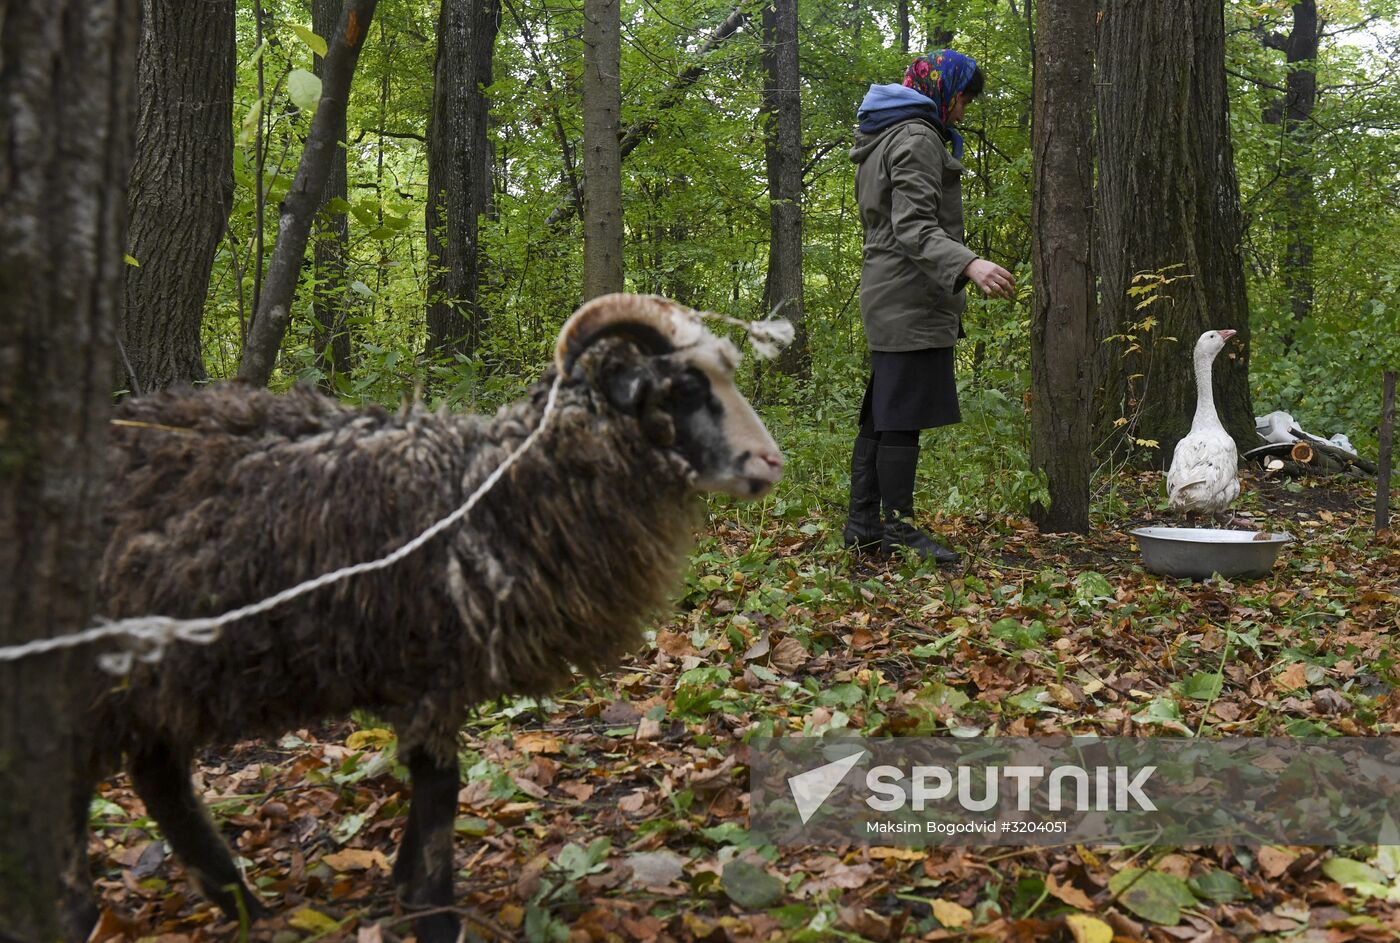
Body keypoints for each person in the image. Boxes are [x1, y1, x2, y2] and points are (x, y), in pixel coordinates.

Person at [843, 49, 1015, 564]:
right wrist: (971, 265)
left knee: (883, 412)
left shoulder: (888, 132)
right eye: (964, 101)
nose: (962, 113)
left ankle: (863, 524)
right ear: (949, 92)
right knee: (899, 416)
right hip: (907, 292)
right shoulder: (917, 137)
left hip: (891, 288)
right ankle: (897, 528)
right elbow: (914, 226)